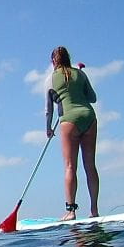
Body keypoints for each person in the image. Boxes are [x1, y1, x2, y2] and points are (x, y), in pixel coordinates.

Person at [46, 46, 100, 220]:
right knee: (90, 166)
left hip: (69, 120)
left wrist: (48, 128)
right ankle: (94, 210)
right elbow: (92, 98)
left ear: (54, 61)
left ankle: (71, 211)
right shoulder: (81, 74)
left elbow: (49, 109)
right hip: (89, 116)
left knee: (70, 166)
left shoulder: (51, 79)